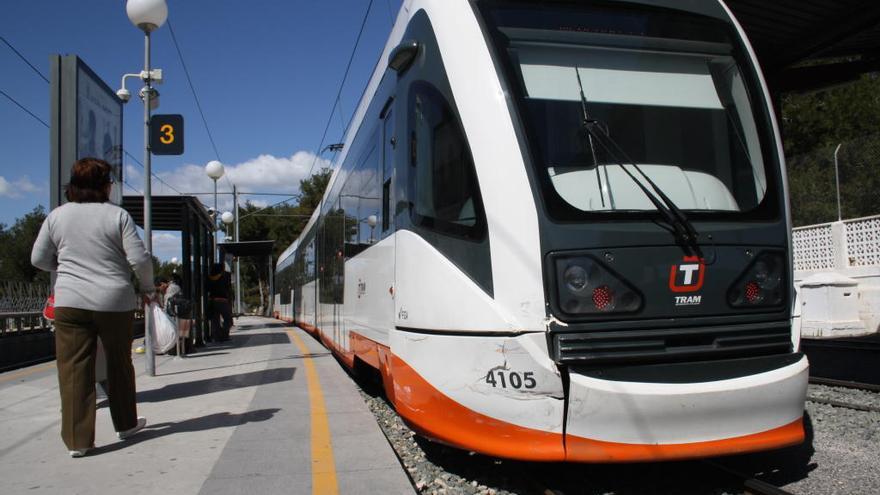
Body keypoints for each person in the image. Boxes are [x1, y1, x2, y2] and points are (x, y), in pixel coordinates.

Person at [31, 157, 152, 458]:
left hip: (70, 301)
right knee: (119, 364)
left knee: (73, 370)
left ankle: (78, 441)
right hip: (114, 300)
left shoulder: (57, 217)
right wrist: (148, 289)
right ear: (106, 186)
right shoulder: (118, 216)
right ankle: (125, 424)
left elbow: (38, 259)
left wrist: (64, 266)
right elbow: (139, 259)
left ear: (71, 187)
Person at [164, 274, 194, 354]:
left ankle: (177, 350)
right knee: (183, 333)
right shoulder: (180, 287)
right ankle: (185, 349)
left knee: (176, 333)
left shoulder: (172, 287)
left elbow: (168, 302)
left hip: (175, 313)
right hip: (183, 312)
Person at [207, 263, 233, 342]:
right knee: (228, 319)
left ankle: (217, 337)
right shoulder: (224, 276)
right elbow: (228, 288)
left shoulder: (209, 277)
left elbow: (207, 288)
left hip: (212, 300)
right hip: (223, 301)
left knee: (215, 320)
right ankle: (224, 335)